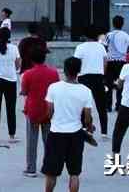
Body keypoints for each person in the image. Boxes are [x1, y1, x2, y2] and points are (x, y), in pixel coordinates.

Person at [42, 57, 96, 192]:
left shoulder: (54, 88)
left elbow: (48, 113)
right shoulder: (85, 91)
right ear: (79, 71)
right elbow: (88, 118)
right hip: (76, 135)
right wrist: (89, 128)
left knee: (51, 173)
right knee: (74, 173)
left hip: (56, 134)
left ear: (64, 70)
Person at [21, 47, 59, 177]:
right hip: (48, 110)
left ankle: (31, 168)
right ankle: (49, 167)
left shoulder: (28, 74)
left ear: (32, 60)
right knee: (48, 141)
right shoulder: (54, 73)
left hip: (32, 110)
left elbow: (25, 91)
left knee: (32, 140)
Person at [73, 27, 108, 138]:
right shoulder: (101, 47)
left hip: (84, 77)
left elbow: (76, 62)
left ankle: (84, 128)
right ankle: (104, 132)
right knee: (101, 105)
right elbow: (105, 62)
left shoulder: (80, 47)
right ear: (97, 36)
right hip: (98, 77)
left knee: (83, 104)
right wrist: (103, 74)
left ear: (85, 36)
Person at [0, 27, 20, 144]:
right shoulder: (14, 48)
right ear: (9, 36)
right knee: (11, 108)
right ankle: (12, 135)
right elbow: (17, 65)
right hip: (10, 80)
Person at [105, 15, 129, 112]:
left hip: (110, 62)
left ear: (113, 23)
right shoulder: (126, 35)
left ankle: (108, 106)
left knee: (108, 84)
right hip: (122, 63)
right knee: (120, 84)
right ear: (122, 24)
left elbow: (105, 47)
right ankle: (119, 105)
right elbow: (128, 50)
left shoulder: (108, 35)